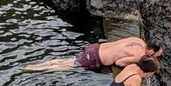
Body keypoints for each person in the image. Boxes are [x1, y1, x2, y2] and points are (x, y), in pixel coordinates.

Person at [25, 35, 163, 74]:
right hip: (95, 58)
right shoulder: (139, 55)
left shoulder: (138, 40)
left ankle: (36, 65)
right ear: (151, 51)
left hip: (95, 48)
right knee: (68, 66)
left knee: (69, 60)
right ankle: (36, 69)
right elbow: (119, 63)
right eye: (156, 55)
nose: (155, 57)